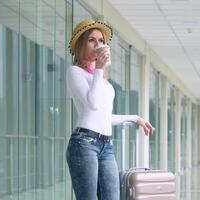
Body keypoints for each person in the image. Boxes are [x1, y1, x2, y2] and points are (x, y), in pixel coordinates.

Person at [66, 19, 155, 200]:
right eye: (92, 40)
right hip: (84, 144)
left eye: (101, 40)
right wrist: (99, 68)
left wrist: (135, 118)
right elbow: (93, 104)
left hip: (106, 145)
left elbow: (104, 116)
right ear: (82, 44)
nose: (98, 44)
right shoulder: (75, 72)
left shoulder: (101, 79)